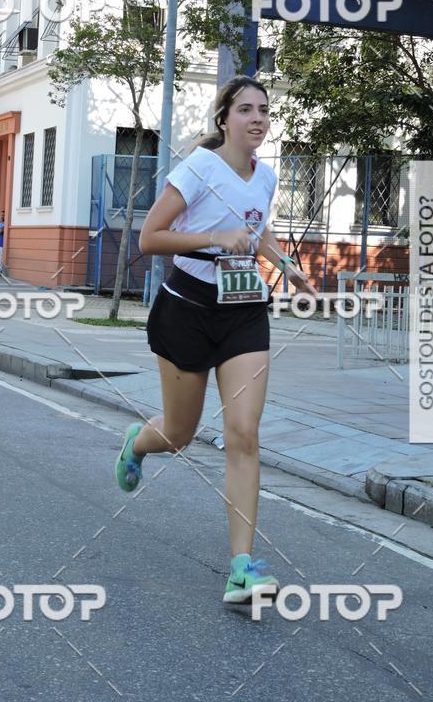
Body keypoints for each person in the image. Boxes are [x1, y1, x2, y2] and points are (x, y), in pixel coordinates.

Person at [115, 75, 316, 605]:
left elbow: (257, 229)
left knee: (243, 432)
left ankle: (242, 567)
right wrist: (213, 237)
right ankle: (138, 443)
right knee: (179, 433)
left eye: (264, 111)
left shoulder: (267, 176)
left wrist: (287, 266)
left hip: (244, 311)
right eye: (246, 109)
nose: (257, 118)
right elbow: (150, 237)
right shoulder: (199, 168)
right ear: (223, 119)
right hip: (187, 310)